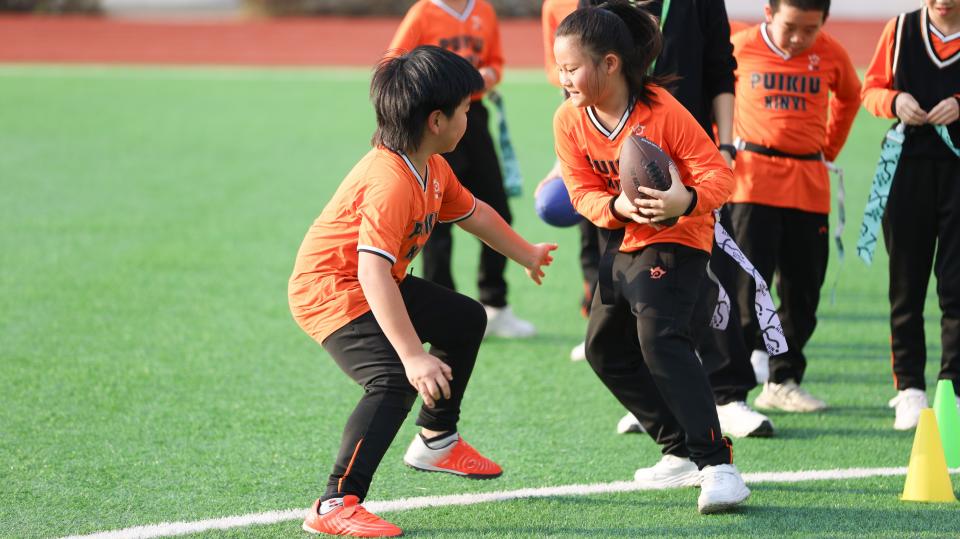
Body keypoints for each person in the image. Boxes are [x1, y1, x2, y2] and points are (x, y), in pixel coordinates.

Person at [289, 46, 557, 537]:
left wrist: (525, 253)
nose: (469, 117)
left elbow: (475, 214)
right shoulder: (390, 181)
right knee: (393, 378)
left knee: (465, 318)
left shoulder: (430, 166)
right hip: (331, 291)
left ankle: (436, 439)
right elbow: (370, 274)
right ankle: (334, 503)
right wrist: (414, 356)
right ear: (437, 120)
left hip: (371, 281)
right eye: (465, 110)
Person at [543, 0, 773, 439]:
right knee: (605, 348)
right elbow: (582, 191)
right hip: (623, 230)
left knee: (665, 331)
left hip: (683, 215)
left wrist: (687, 198)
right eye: (561, 68)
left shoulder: (665, 107)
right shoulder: (571, 115)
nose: (563, 77)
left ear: (612, 64)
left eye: (569, 69)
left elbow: (721, 71)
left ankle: (722, 421)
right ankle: (672, 435)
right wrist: (614, 207)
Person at [727, 0, 860, 413]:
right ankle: (733, 389)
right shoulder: (740, 47)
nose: (799, 37)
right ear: (769, 13)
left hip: (809, 185)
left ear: (824, 22)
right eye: (790, 27)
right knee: (747, 290)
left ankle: (783, 379)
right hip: (752, 184)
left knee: (802, 292)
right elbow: (715, 94)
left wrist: (826, 149)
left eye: (810, 28)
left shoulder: (832, 53)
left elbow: (850, 98)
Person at [388, 0, 537, 338]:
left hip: (473, 117)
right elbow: (393, 64)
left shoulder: (482, 10)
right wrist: (433, 89)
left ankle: (495, 305)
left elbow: (496, 62)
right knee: (436, 222)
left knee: (497, 207)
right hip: (435, 124)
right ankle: (444, 309)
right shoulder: (423, 13)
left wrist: (487, 75)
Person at [861, 0, 960, 430]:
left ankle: (952, 388)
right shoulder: (899, 29)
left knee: (957, 289)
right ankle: (910, 389)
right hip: (905, 171)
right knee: (907, 286)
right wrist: (895, 99)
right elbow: (871, 91)